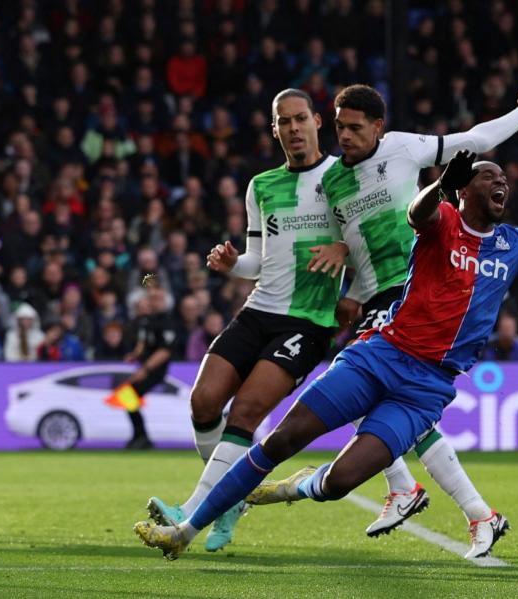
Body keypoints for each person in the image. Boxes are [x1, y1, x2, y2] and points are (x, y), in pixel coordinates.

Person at [134, 143, 518, 561]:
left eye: (504, 178)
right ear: (466, 190)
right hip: (380, 355)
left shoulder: (517, 244)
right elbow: (415, 215)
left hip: (427, 388)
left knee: (341, 482)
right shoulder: (442, 218)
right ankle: (184, 532)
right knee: (279, 440)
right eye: (488, 175)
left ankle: (293, 489)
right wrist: (441, 185)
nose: (500, 181)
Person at [324, 84, 518, 541]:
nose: (344, 135)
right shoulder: (334, 180)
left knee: (364, 391)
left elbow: (475, 142)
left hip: (415, 286)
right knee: (387, 404)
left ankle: (417, 491)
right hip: (377, 293)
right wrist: (352, 290)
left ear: (377, 127)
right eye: (339, 126)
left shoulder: (404, 147)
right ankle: (467, 509)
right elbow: (358, 244)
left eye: (354, 126)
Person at [145, 88, 347, 551]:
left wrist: (344, 248)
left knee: (247, 412)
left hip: (307, 320)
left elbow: (368, 240)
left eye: (300, 119)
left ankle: (194, 510)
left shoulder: (340, 176)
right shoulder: (262, 185)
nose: (293, 129)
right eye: (284, 122)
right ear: (273, 129)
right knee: (202, 402)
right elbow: (258, 259)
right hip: (258, 310)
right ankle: (231, 500)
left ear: (318, 121)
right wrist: (233, 263)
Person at [119, 275, 178, 450]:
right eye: (151, 298)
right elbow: (143, 342)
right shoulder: (146, 320)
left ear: (165, 300)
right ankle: (139, 436)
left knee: (129, 395)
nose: (154, 302)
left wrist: (145, 369)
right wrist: (135, 355)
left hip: (156, 370)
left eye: (158, 299)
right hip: (146, 366)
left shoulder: (167, 321)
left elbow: (164, 351)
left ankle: (142, 436)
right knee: (128, 396)